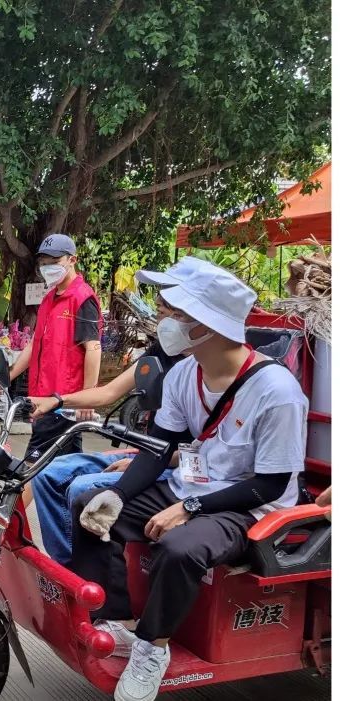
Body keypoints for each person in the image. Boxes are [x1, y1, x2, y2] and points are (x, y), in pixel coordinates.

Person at [70, 260, 306, 701]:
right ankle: (118, 621)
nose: (166, 322)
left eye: (177, 314)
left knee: (180, 547)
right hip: (192, 487)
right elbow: (158, 450)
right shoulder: (183, 373)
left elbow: (272, 485)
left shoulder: (277, 392)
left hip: (247, 507)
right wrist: (117, 496)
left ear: (209, 325)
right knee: (90, 506)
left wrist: (188, 508)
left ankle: (151, 648)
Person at [26, 257, 209, 565]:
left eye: (167, 314)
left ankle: (86, 569)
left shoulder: (207, 371)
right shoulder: (164, 353)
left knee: (82, 488)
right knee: (48, 473)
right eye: (159, 313)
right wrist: (56, 401)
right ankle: (67, 565)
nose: (161, 323)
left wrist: (139, 463)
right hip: (152, 455)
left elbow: (209, 455)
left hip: (180, 466)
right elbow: (109, 392)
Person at [0, 233, 102, 463]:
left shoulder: (82, 298)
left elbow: (93, 348)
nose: (49, 268)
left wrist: (87, 398)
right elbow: (34, 344)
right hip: (42, 397)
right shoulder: (49, 298)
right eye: (44, 263)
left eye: (55, 262)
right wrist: (6, 378)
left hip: (62, 400)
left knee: (32, 468)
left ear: (72, 260)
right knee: (65, 466)